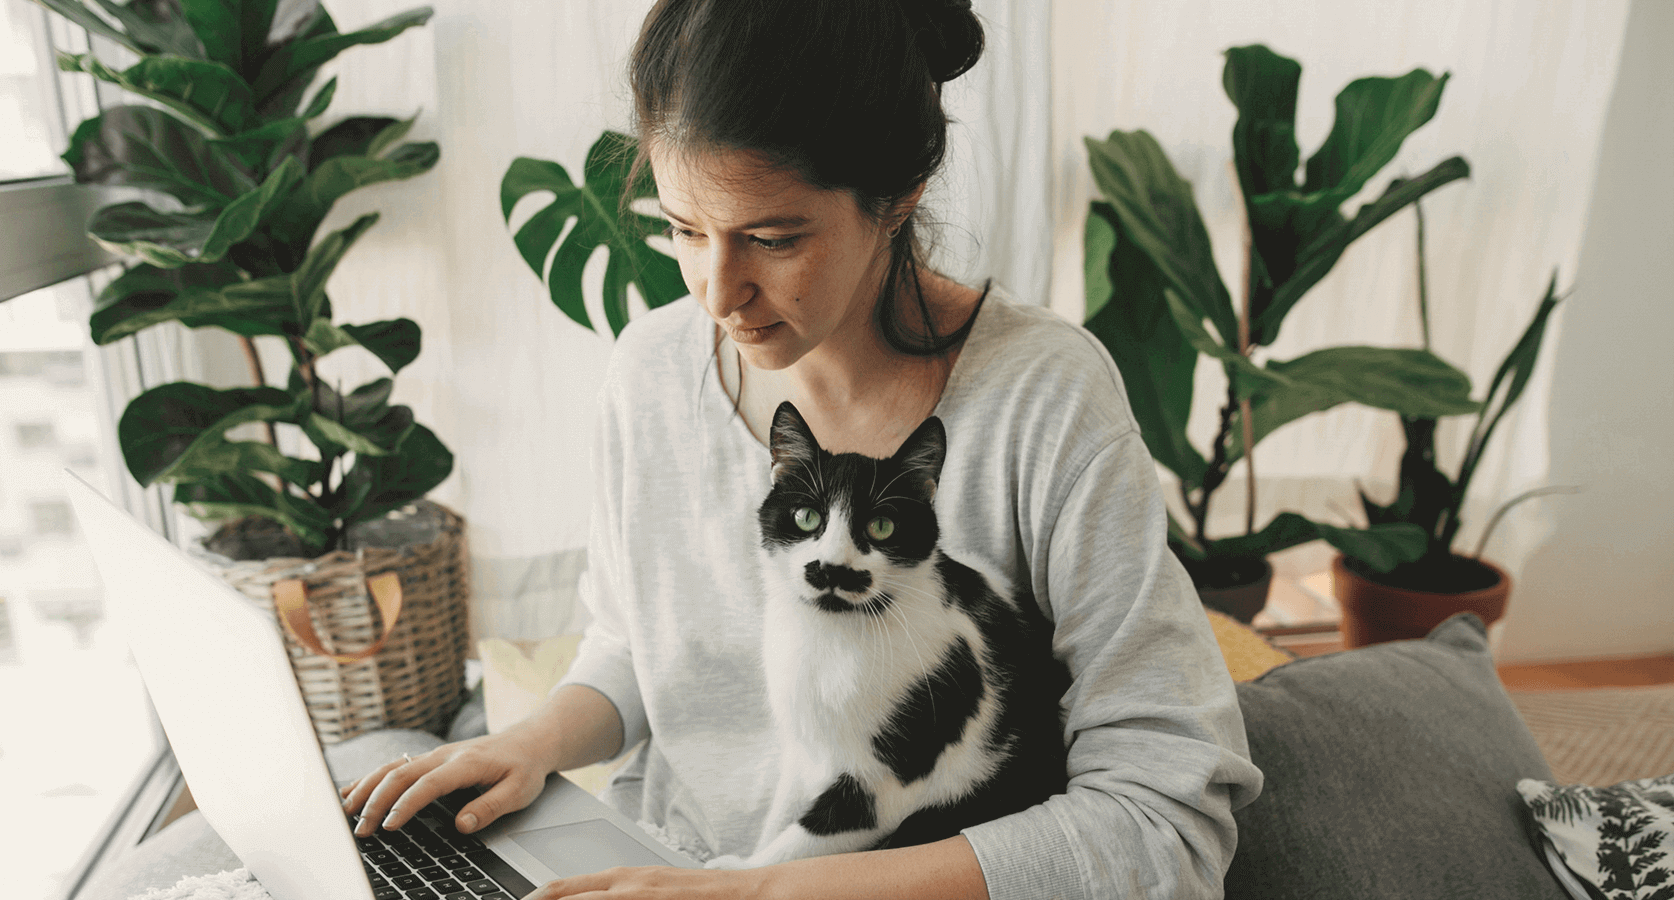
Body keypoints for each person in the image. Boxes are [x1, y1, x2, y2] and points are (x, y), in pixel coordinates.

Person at [343, 1, 1263, 897]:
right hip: (652, 859)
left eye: (773, 239)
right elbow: (637, 643)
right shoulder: (652, 371)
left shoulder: (1046, 401)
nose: (716, 292)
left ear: (898, 194)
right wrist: (530, 744)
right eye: (682, 230)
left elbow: (1164, 824)